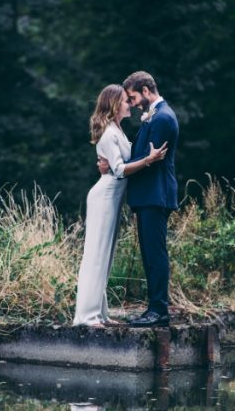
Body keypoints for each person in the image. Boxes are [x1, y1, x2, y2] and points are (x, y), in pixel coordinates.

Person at [74, 84, 166, 327]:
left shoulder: (117, 129)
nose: (130, 105)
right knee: (96, 254)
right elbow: (119, 169)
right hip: (104, 197)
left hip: (113, 198)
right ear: (115, 104)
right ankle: (87, 316)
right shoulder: (108, 132)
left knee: (106, 254)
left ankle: (100, 313)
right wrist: (149, 159)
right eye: (126, 101)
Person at [99, 71, 179, 328]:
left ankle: (159, 311)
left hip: (156, 194)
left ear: (146, 91)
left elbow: (148, 160)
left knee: (155, 254)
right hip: (148, 196)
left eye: (132, 97)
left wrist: (114, 166)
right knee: (149, 253)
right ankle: (154, 309)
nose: (131, 103)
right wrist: (112, 162)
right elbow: (142, 155)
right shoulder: (154, 116)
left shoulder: (163, 118)